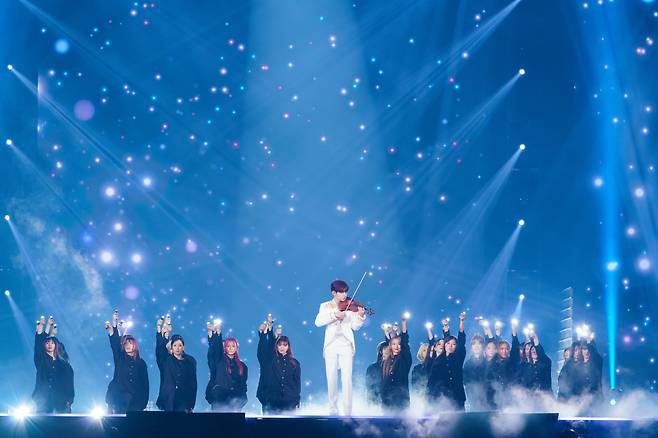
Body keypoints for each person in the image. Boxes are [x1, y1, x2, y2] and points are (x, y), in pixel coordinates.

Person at [314, 279, 366, 416]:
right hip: (331, 345)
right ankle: (333, 410)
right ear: (334, 293)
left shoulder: (350, 306)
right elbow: (318, 322)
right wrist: (334, 315)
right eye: (341, 292)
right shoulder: (325, 306)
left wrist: (360, 316)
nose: (344, 295)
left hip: (346, 345)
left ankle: (348, 411)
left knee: (347, 378)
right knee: (331, 378)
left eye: (345, 292)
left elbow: (355, 326)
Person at [105, 310, 149, 413]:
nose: (128, 345)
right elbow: (115, 344)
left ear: (135, 345)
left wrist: (143, 402)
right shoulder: (120, 358)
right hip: (118, 401)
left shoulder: (141, 363)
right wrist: (114, 325)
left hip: (135, 402)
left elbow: (145, 384)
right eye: (126, 344)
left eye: (130, 343)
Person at [258, 314, 301, 413]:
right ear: (276, 346)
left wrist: (296, 399)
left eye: (285, 345)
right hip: (271, 402)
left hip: (289, 402)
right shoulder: (271, 360)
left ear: (288, 346)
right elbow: (265, 350)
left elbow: (297, 383)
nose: (282, 347)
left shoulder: (294, 363)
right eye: (280, 345)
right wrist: (268, 329)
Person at [32, 315, 74, 413]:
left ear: (56, 345)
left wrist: (69, 400)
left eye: (52, 343)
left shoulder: (65, 365)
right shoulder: (41, 360)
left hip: (62, 402)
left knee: (63, 427)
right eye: (47, 343)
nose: (50, 345)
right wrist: (44, 328)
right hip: (43, 402)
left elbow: (69, 383)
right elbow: (38, 346)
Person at [155, 316, 197, 412]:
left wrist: (191, 404)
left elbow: (193, 384)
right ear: (171, 347)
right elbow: (160, 350)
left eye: (180, 345)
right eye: (175, 345)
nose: (177, 348)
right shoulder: (166, 360)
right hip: (168, 400)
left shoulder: (190, 362)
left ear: (183, 347)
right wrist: (162, 332)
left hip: (184, 401)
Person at [205, 320, 248, 411]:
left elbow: (243, 384)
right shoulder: (219, 361)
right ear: (225, 348)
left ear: (236, 348)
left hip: (235, 403)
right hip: (219, 400)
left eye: (233, 346)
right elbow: (215, 350)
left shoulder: (243, 366)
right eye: (228, 346)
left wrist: (241, 398)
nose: (231, 348)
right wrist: (217, 333)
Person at [427, 312, 467, 410]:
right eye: (448, 343)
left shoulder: (458, 357)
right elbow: (432, 381)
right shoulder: (438, 360)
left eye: (453, 344)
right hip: (441, 399)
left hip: (457, 398)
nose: (450, 346)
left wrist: (461, 321)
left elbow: (461, 339)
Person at [380, 313, 412, 410]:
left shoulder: (405, 359)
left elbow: (405, 341)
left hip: (401, 402)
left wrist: (403, 322)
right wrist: (388, 333)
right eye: (393, 344)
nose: (396, 346)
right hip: (386, 401)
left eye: (399, 344)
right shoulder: (386, 361)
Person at [463, 334, 487, 410]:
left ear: (483, 346)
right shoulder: (467, 364)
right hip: (473, 398)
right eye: (474, 344)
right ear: (471, 347)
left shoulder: (487, 362)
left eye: (479, 343)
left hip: (487, 398)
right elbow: (466, 382)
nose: (476, 346)